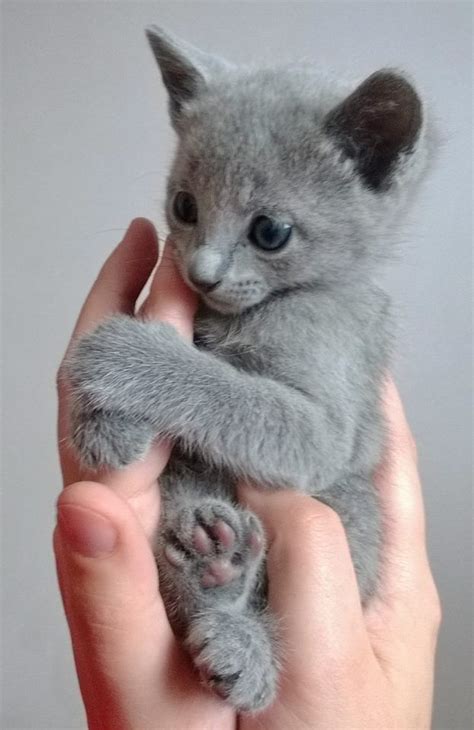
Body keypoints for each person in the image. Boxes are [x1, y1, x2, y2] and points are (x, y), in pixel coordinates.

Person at [55, 218, 441, 729]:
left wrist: (153, 375)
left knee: (324, 528)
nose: (204, 264)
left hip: (328, 519)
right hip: (206, 520)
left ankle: (240, 615)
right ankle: (220, 601)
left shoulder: (347, 312)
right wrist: (109, 410)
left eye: (269, 231)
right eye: (188, 207)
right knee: (174, 506)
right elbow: (118, 447)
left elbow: (311, 453)